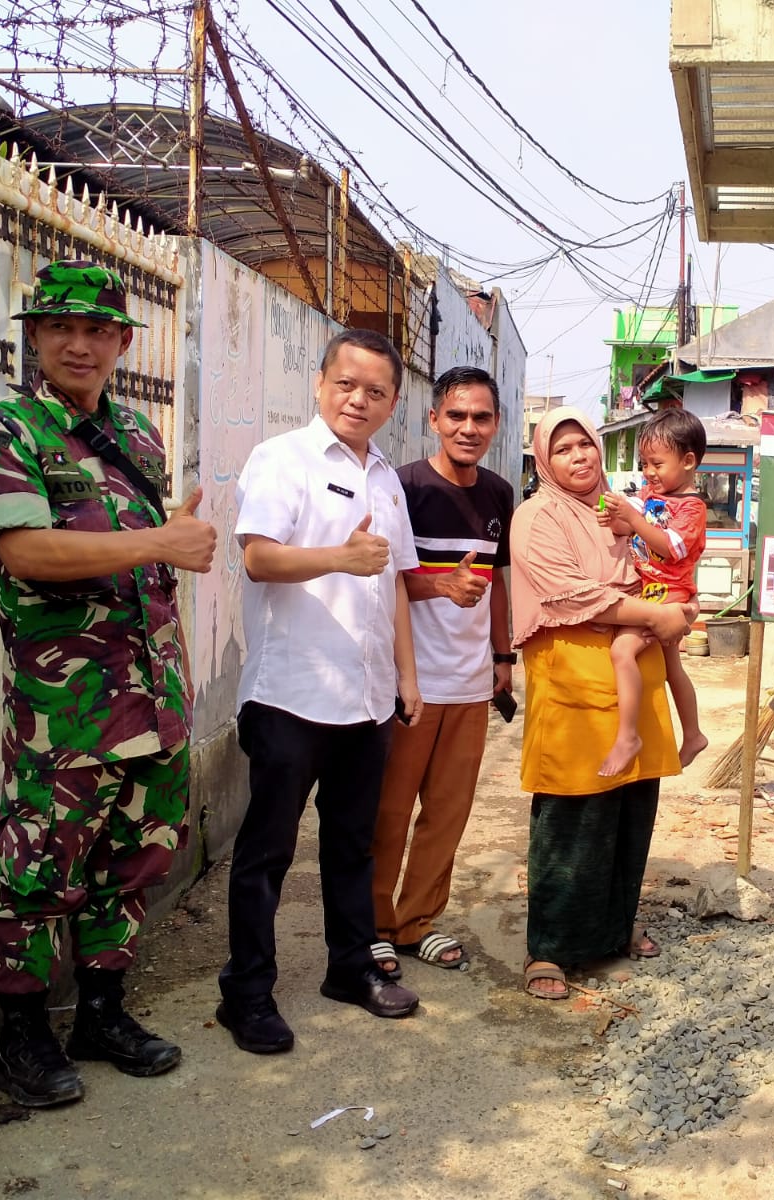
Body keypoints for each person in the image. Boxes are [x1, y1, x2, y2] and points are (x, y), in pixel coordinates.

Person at [0, 259, 217, 1107]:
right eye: (61, 328)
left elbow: (156, 562)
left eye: (97, 330)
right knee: (39, 873)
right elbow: (27, 551)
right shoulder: (7, 429)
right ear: (35, 336)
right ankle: (22, 1037)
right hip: (64, 712)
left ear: (121, 342)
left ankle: (101, 1014)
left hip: (153, 699)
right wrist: (159, 545)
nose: (80, 344)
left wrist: (174, 541)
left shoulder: (138, 437)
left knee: (133, 862)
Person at [217, 328, 423, 1050]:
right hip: (290, 693)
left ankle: (349, 967)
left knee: (351, 844)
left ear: (393, 402)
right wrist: (341, 556)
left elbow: (392, 579)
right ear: (319, 384)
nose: (358, 400)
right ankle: (246, 993)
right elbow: (259, 559)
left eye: (375, 391)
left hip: (365, 698)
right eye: (346, 384)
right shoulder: (283, 460)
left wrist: (406, 673)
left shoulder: (387, 479)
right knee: (267, 851)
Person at [510, 408, 695, 1000]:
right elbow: (572, 593)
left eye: (585, 445)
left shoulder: (619, 507)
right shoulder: (536, 517)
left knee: (630, 810)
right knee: (572, 814)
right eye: (563, 450)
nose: (580, 457)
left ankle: (614, 929)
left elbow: (662, 563)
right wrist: (655, 614)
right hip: (571, 669)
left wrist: (673, 608)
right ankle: (552, 949)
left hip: (630, 667)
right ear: (545, 460)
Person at [369, 366, 515, 973]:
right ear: (433, 419)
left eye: (481, 417)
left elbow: (497, 580)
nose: (468, 427)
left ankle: (417, 921)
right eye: (456, 415)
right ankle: (374, 923)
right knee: (390, 809)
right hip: (410, 679)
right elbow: (388, 578)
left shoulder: (501, 494)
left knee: (448, 811)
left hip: (471, 680)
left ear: (496, 424)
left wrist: (503, 657)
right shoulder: (403, 488)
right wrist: (441, 586)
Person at [596, 408, 710, 777]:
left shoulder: (691, 508)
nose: (648, 472)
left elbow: (668, 546)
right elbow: (630, 528)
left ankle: (628, 736)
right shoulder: (649, 495)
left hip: (669, 593)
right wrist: (616, 518)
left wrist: (633, 521)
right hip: (653, 590)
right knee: (672, 666)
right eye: (644, 463)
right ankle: (692, 734)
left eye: (656, 463)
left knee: (622, 650)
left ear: (688, 461)